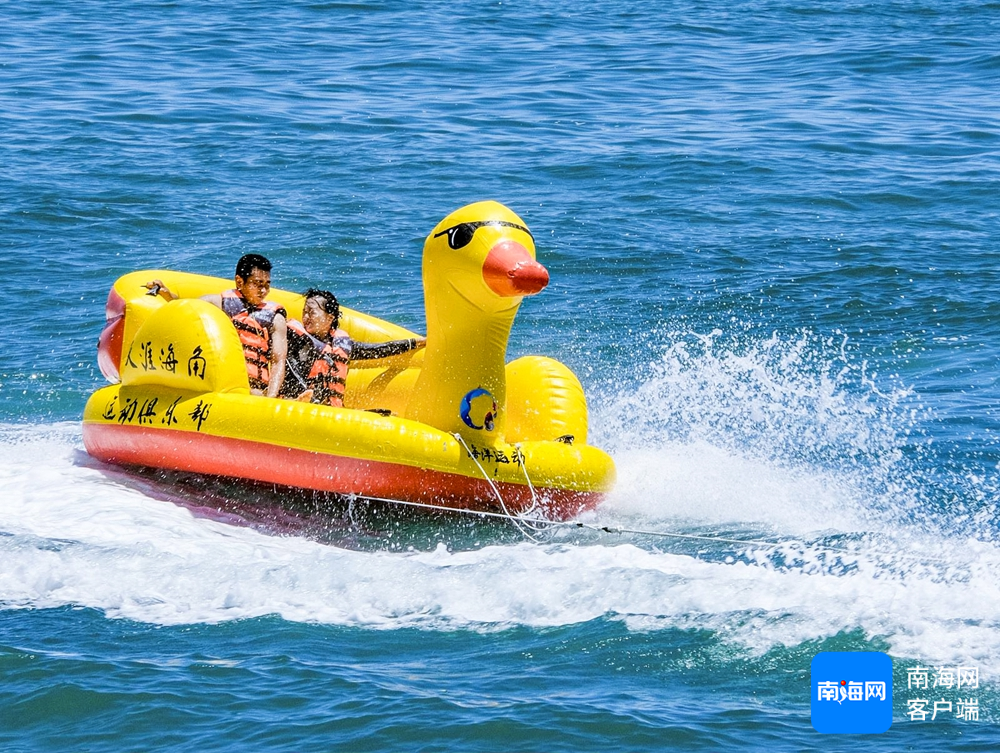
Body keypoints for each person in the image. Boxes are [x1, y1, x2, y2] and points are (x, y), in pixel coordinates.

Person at [146, 254, 287, 397]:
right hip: (224, 383)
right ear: (239, 282)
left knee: (256, 393)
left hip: (256, 388)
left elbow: (278, 360)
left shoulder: (275, 318)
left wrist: (271, 398)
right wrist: (168, 295)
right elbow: (186, 308)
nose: (263, 291)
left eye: (267, 285)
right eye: (257, 284)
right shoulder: (218, 303)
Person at [280, 288, 425, 408]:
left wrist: (413, 343)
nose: (305, 317)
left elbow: (377, 350)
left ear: (330, 318)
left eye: (311, 312)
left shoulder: (342, 346)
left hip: (326, 409)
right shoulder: (293, 337)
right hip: (293, 402)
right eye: (304, 311)